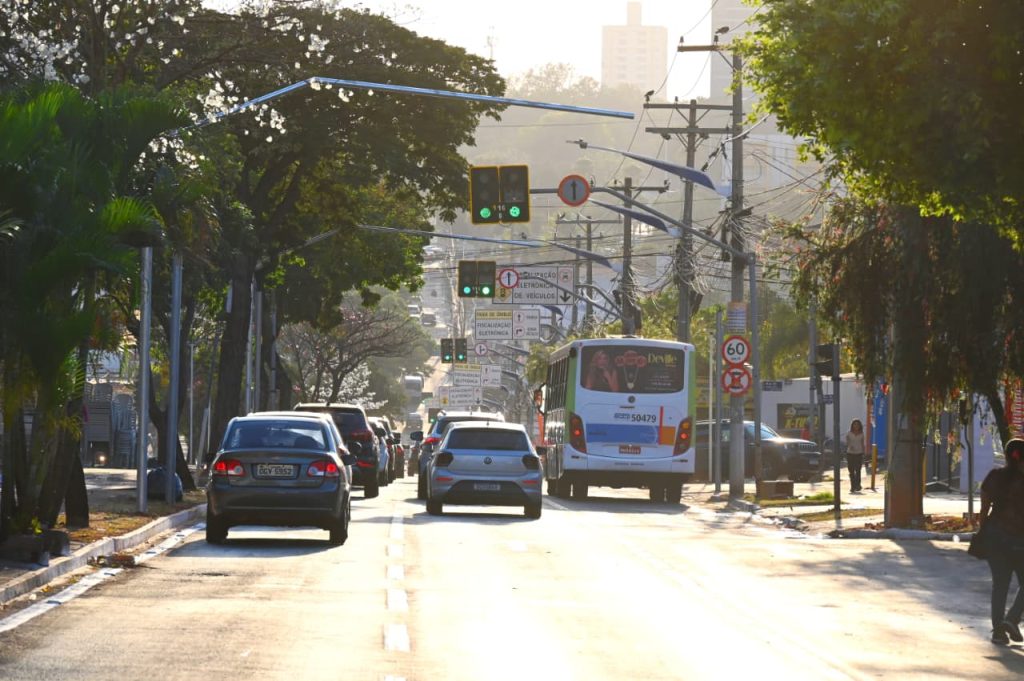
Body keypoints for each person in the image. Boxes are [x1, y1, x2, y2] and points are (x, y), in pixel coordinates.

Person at [980, 438, 1024, 645]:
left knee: (1000, 585)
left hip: (995, 537)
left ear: (1006, 455)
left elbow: (984, 508)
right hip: (1019, 539)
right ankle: (1012, 619)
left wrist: (983, 531)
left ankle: (998, 631)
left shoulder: (994, 476)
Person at [844, 419, 866, 493]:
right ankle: (852, 486)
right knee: (851, 471)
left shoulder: (861, 433)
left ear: (860, 426)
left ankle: (858, 485)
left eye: (857, 424)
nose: (856, 426)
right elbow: (847, 442)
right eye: (855, 424)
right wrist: (850, 446)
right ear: (852, 425)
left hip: (859, 453)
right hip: (850, 453)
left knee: (858, 470)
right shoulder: (849, 433)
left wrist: (864, 453)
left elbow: (862, 443)